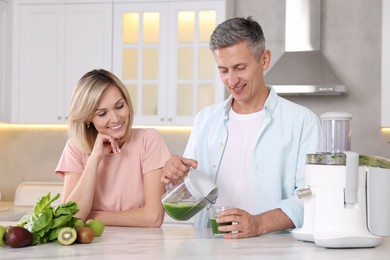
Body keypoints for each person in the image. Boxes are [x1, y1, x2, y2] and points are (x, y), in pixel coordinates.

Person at [161, 17, 322, 238]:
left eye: (239, 67)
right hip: (210, 247)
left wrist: (259, 223)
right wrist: (175, 175)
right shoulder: (205, 119)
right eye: (223, 70)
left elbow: (311, 196)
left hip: (273, 250)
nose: (231, 80)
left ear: (264, 60)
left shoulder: (303, 122)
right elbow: (190, 189)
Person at [55, 69, 170, 227]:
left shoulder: (148, 140)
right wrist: (95, 157)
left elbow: (153, 217)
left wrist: (90, 216)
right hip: (90, 246)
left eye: (120, 106)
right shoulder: (75, 148)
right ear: (88, 118)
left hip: (140, 247)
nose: (115, 118)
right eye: (102, 113)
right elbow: (68, 218)